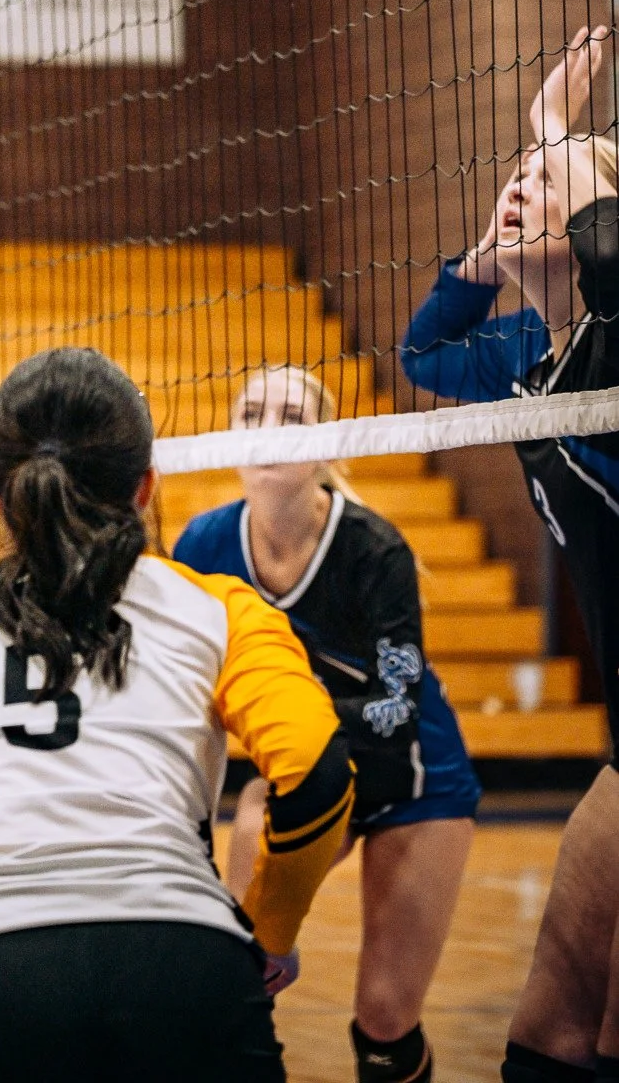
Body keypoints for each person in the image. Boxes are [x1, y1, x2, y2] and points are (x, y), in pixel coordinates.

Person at [0, 346, 355, 1083]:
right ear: (144, 488)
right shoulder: (222, 613)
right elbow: (317, 776)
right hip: (183, 971)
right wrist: (269, 930)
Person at [399, 27, 619, 1083]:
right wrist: (483, 261)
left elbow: (611, 253)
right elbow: (423, 353)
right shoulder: (525, 353)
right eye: (517, 176)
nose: (522, 184)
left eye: (545, 179)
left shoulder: (618, 331)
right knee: (545, 1035)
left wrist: (554, 127)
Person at [173, 368, 479, 1083]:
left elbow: (395, 709)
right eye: (251, 411)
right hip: (307, 773)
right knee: (236, 978)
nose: (268, 426)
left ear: (328, 439)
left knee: (383, 1019)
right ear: (228, 434)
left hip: (415, 780)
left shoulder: (373, 548)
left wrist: (285, 710)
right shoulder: (202, 546)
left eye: (291, 413)